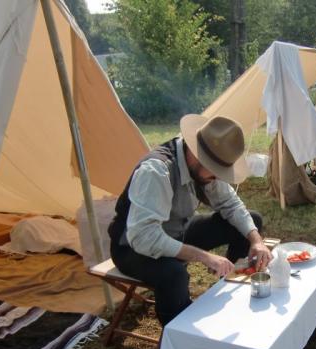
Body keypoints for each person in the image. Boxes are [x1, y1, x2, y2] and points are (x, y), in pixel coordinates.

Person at [108, 114, 272, 326]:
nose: (218, 178)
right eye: (215, 172)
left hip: (177, 232)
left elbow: (231, 205)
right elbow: (144, 237)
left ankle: (232, 284)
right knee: (174, 274)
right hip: (132, 248)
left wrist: (256, 241)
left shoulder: (203, 168)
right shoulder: (156, 171)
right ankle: (182, 335)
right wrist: (203, 256)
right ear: (197, 155)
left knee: (252, 222)